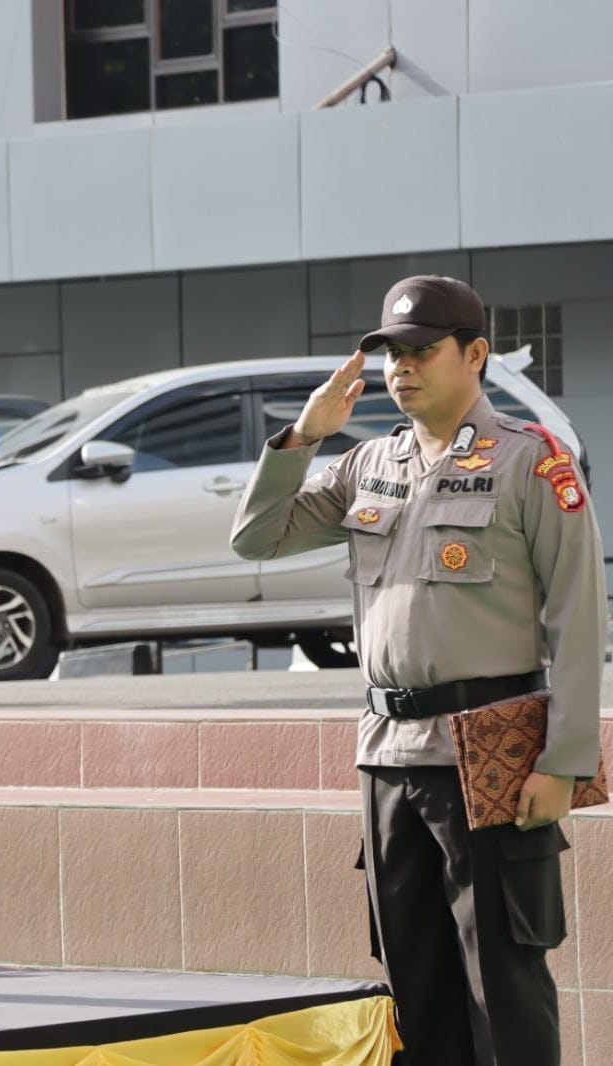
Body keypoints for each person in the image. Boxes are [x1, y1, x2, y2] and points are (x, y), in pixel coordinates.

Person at [230, 275, 606, 1065]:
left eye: (420, 350)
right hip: (389, 756)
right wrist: (303, 439)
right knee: (415, 985)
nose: (401, 367)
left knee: (501, 986)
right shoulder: (369, 464)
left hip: (492, 756)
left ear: (475, 354)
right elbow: (257, 540)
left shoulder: (531, 464)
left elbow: (577, 618)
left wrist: (565, 762)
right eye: (389, 353)